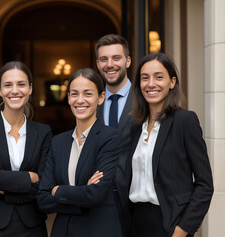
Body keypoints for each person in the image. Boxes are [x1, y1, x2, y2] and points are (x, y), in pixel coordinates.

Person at [126, 52, 213, 237]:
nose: (151, 84)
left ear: (172, 82)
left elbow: (205, 185)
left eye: (159, 77)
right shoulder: (135, 128)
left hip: (169, 224)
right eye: (144, 78)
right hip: (136, 223)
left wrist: (181, 231)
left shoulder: (185, 121)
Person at [0, 61, 52, 236]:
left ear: (30, 88)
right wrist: (29, 176)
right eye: (8, 85)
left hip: (31, 225)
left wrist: (0, 181)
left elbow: (44, 184)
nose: (15, 90)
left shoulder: (43, 132)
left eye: (21, 84)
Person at [37, 68, 122, 237]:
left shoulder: (110, 138)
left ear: (101, 98)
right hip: (63, 231)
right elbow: (43, 199)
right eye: (74, 94)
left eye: (88, 94)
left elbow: (95, 194)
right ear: (68, 98)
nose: (80, 100)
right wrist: (82, 193)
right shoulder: (58, 142)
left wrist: (58, 190)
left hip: (97, 231)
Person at [95, 34, 134, 236]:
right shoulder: (91, 102)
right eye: (104, 59)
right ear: (98, 63)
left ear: (128, 61)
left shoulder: (145, 98)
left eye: (116, 58)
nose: (110, 64)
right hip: (98, 203)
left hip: (137, 203)